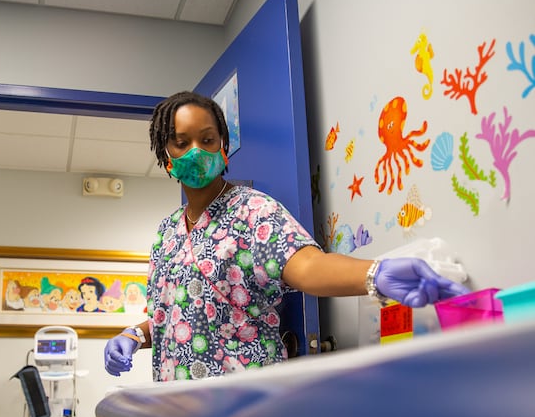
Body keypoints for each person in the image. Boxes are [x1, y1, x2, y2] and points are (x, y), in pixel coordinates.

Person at [103, 91, 470, 382]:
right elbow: (178, 312)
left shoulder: (253, 211)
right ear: (166, 157)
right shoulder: (166, 234)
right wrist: (135, 335)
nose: (195, 151)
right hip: (177, 408)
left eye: (207, 139)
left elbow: (309, 267)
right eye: (181, 142)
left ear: (224, 149)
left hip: (247, 402)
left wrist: (374, 274)